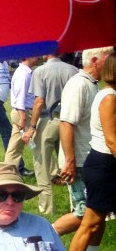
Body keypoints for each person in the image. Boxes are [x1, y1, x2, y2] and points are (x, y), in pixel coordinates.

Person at [53, 46, 113, 237]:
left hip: (89, 158)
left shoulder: (93, 84)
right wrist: (70, 161)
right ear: (95, 61)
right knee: (83, 213)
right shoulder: (79, 84)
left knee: (98, 213)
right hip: (79, 161)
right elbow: (66, 124)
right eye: (108, 58)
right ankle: (42, 237)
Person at [21, 53, 79, 214]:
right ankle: (76, 204)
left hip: (48, 119)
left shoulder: (40, 71)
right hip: (69, 121)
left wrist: (32, 126)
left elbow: (39, 101)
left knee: (42, 166)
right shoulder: (73, 70)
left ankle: (46, 208)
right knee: (68, 164)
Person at [69, 53, 115, 251]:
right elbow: (112, 141)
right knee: (90, 223)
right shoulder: (110, 98)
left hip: (106, 164)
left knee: (98, 220)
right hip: (104, 165)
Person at [4, 56, 38, 175]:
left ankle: (7, 172)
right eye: (36, 55)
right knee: (38, 143)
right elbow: (19, 98)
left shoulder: (24, 72)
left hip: (23, 112)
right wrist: (23, 118)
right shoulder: (23, 74)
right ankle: (7, 173)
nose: (38, 57)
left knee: (15, 146)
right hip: (24, 113)